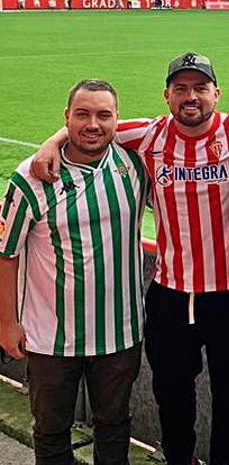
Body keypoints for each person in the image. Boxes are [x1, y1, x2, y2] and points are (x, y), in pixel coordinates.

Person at [31, 52, 229, 465]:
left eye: (200, 88)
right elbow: (93, 126)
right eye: (181, 89)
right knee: (171, 394)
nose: (190, 97)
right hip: (171, 293)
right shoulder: (146, 136)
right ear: (167, 95)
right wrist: (53, 142)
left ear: (217, 93)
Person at [0, 79, 147, 465]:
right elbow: (6, 253)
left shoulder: (132, 164)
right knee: (51, 432)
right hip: (51, 338)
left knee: (114, 425)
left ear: (117, 120)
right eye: (81, 114)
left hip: (120, 332)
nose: (93, 124)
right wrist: (7, 323)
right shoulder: (30, 179)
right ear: (66, 118)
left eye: (104, 115)